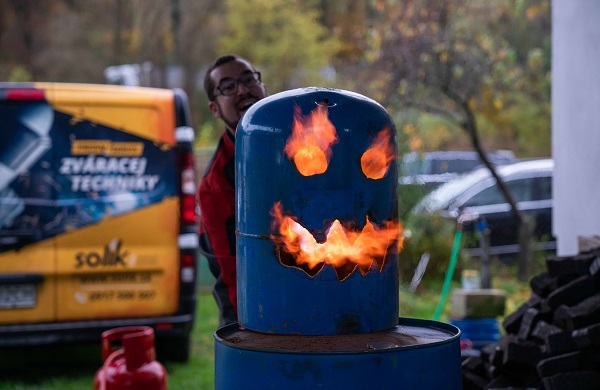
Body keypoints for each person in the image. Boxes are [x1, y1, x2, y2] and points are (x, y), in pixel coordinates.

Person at [197, 54, 267, 327]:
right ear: (215, 109)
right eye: (227, 86)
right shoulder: (216, 186)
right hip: (248, 300)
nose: (242, 89)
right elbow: (233, 275)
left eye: (248, 79)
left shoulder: (304, 141)